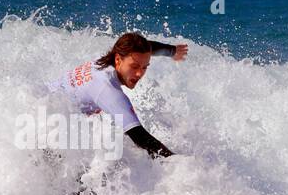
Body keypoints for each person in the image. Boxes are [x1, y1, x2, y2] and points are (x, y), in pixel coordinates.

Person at [49, 31, 188, 160]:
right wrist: (179, 164)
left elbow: (145, 49)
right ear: (118, 60)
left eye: (145, 67)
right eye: (134, 66)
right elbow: (140, 138)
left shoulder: (106, 60)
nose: (139, 73)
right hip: (48, 133)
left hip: (43, 99)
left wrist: (172, 51)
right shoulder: (107, 90)